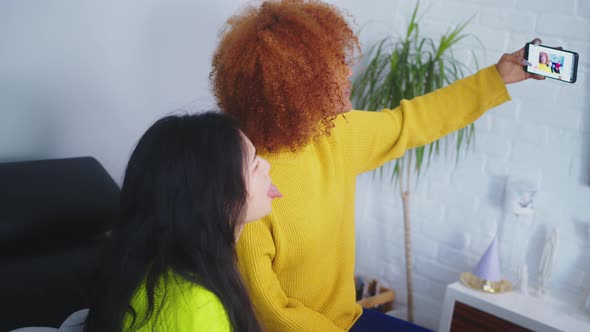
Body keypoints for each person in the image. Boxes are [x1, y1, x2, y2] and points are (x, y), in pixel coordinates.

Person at [210, 1, 545, 331]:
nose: (349, 72)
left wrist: (497, 78)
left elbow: (412, 122)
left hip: (349, 320)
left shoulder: (333, 135)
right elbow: (272, 313)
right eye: (337, 65)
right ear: (299, 87)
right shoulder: (249, 186)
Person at [84, 112, 282, 331]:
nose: (267, 166)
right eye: (254, 165)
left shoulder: (155, 273)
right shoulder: (196, 306)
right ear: (213, 196)